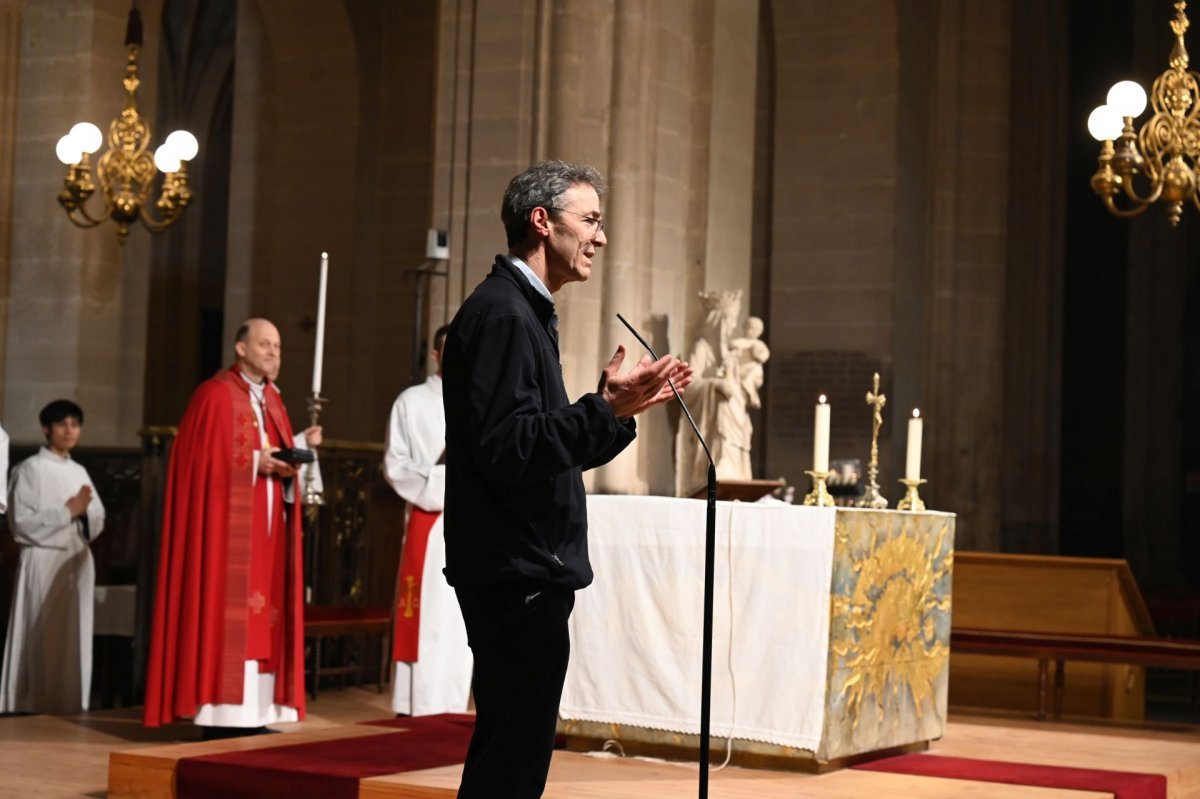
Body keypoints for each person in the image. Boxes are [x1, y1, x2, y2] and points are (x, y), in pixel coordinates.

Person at [442, 159, 693, 797]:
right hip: (514, 569)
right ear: (541, 221)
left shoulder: (523, 310)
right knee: (511, 763)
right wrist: (601, 411)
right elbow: (509, 447)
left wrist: (614, 414)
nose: (600, 238)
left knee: (513, 755)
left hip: (521, 565)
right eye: (590, 220)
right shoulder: (504, 315)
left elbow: (541, 443)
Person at [143, 318, 322, 735]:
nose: (274, 352)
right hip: (225, 533)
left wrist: (293, 452)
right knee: (229, 613)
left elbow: (267, 447)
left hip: (269, 525)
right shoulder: (215, 396)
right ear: (240, 348)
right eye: (265, 344)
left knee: (266, 612)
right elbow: (198, 463)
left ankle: (257, 711)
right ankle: (222, 713)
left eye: (277, 345)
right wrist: (254, 463)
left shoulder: (273, 399)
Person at [383, 323, 471, 716]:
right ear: (436, 355)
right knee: (425, 615)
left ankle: (453, 704)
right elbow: (395, 464)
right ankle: (414, 705)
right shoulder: (411, 401)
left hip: (471, 528)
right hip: (427, 521)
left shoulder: (480, 398)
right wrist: (442, 478)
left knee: (458, 621)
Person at [0, 400, 105, 714]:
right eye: (62, 424)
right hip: (42, 559)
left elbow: (98, 516)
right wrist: (67, 513)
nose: (69, 430)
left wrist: (84, 517)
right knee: (39, 634)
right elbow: (20, 522)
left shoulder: (79, 471)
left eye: (75, 424)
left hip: (75, 561)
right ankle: (28, 702)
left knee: (71, 636)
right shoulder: (29, 469)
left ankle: (69, 700)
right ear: (47, 429)